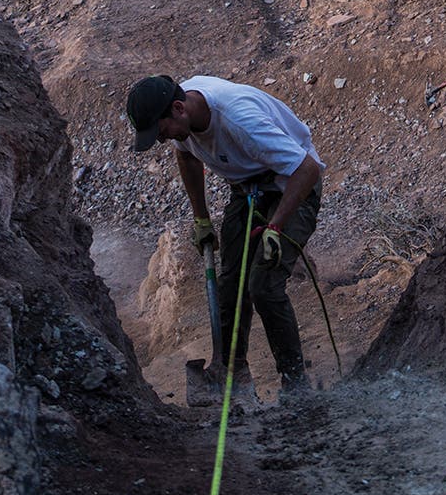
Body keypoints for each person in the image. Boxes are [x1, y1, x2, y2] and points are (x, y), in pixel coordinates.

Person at [127, 73, 324, 396]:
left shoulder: (240, 120)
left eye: (161, 132)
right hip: (247, 188)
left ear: (178, 108)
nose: (163, 140)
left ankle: (295, 386)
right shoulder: (182, 117)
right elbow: (186, 155)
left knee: (263, 285)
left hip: (292, 184)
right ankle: (232, 373)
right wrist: (201, 218)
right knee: (231, 280)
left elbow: (307, 169)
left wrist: (275, 228)